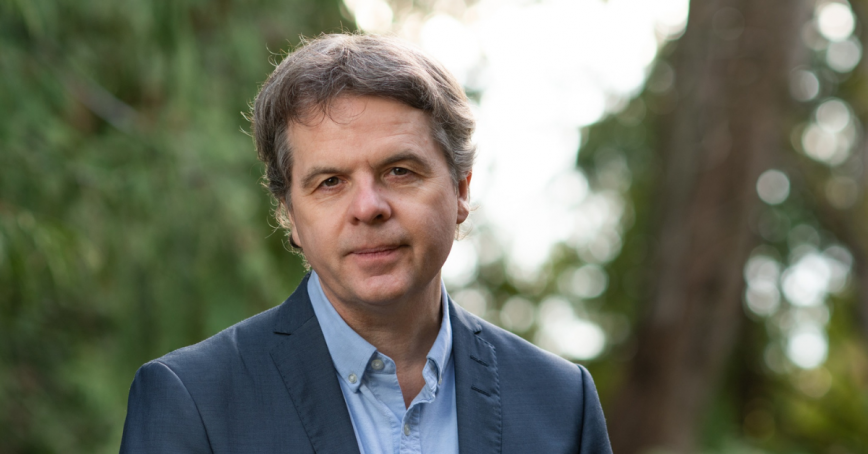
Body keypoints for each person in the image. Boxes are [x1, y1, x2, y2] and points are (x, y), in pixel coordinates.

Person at [120, 33, 612, 454]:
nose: (368, 207)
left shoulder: (561, 401)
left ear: (461, 188)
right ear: (289, 213)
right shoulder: (191, 402)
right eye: (330, 182)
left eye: (399, 171)